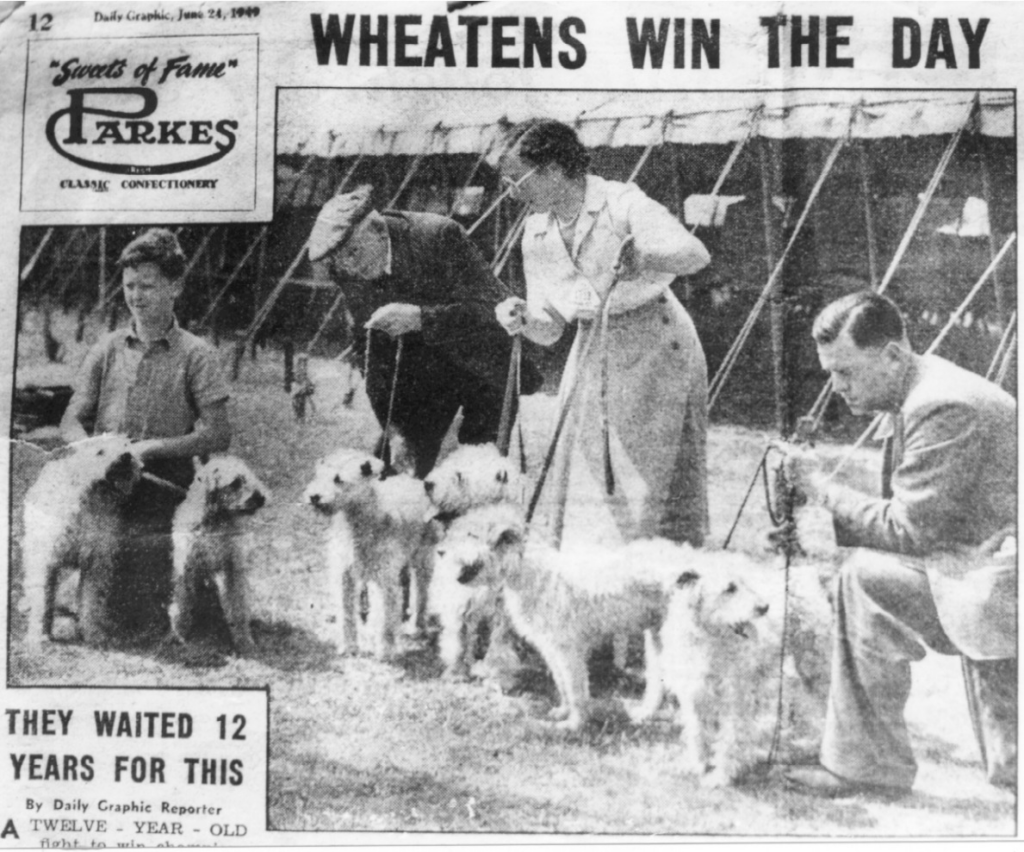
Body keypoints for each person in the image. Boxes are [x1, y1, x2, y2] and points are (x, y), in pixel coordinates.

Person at [779, 291, 1017, 798]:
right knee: (861, 576)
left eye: (846, 372)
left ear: (891, 355)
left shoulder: (942, 403)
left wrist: (821, 489)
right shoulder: (919, 389)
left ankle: (867, 766)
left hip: (995, 578)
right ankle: (866, 763)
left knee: (864, 578)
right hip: (977, 563)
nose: (837, 387)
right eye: (830, 374)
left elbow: (910, 531)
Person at [494, 119, 711, 548]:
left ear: (554, 169)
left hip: (656, 343)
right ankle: (597, 576)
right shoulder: (536, 233)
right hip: (592, 348)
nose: (511, 192)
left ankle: (653, 575)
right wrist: (522, 318)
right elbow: (551, 327)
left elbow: (695, 254)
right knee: (584, 469)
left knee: (650, 480)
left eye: (517, 180)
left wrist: (645, 256)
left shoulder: (621, 202)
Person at [61, 228, 232, 639]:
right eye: (129, 286)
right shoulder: (107, 348)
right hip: (104, 479)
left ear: (176, 286)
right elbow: (71, 420)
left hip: (162, 483)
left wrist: (153, 448)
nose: (136, 296)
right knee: (92, 541)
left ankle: (151, 607)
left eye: (148, 286)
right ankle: (76, 603)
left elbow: (217, 434)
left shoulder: (197, 354)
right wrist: (94, 452)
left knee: (143, 565)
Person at [309, 184, 536, 478]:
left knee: (473, 481)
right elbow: (370, 350)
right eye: (340, 260)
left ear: (378, 228)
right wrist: (392, 428)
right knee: (397, 478)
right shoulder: (349, 270)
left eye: (353, 252)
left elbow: (496, 312)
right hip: (422, 378)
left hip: (482, 368)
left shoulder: (438, 235)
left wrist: (421, 318)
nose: (351, 267)